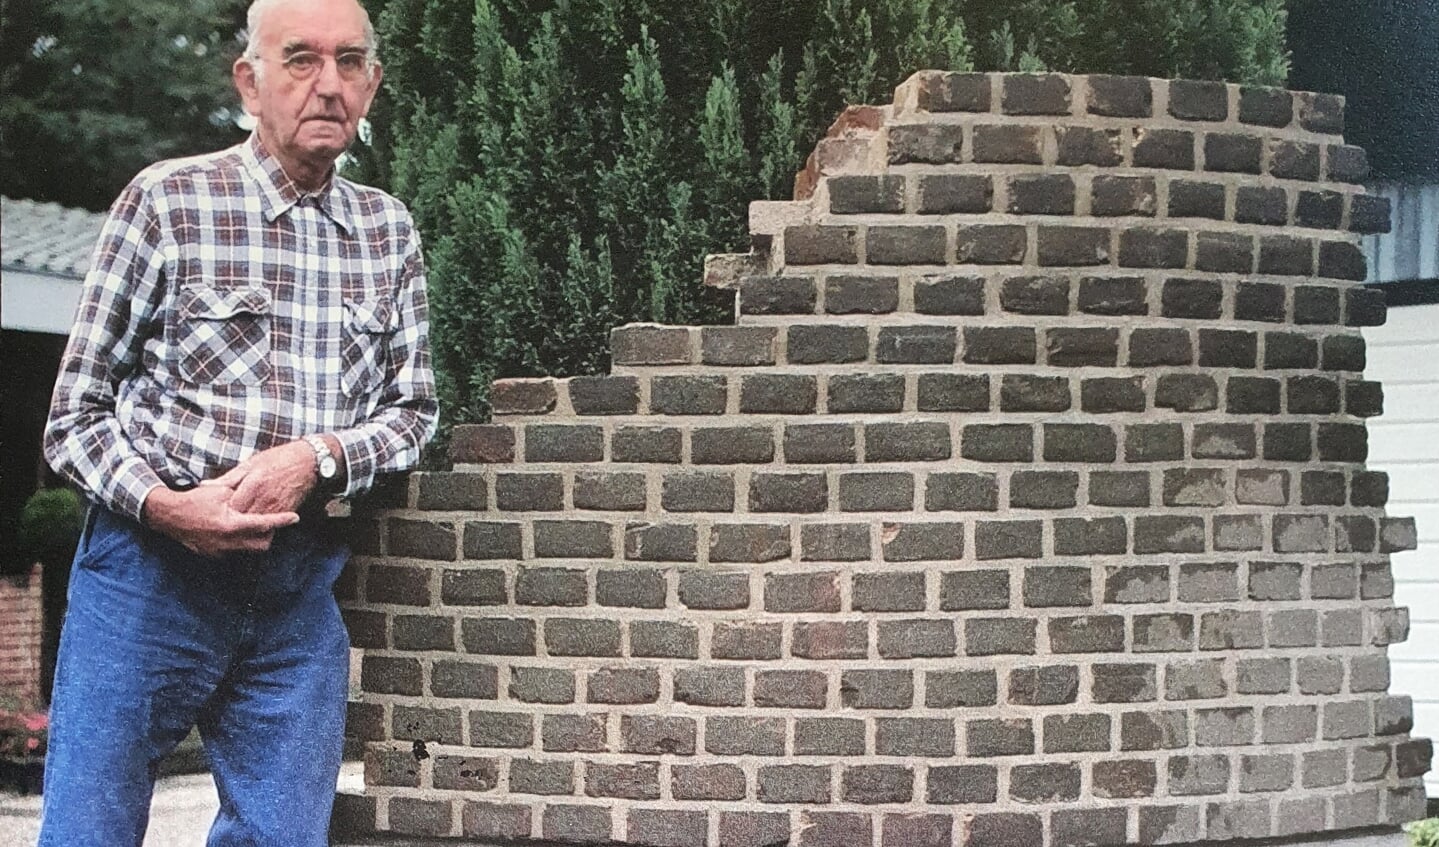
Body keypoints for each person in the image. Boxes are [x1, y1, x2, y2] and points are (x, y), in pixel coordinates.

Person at [38, 0, 437, 842]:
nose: (327, 85)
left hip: (296, 590)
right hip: (146, 577)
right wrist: (165, 505)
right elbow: (73, 416)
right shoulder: (167, 202)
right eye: (300, 59)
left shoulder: (386, 230)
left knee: (284, 837)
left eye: (350, 61)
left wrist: (319, 456)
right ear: (249, 84)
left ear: (373, 83)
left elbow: (412, 415)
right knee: (88, 829)